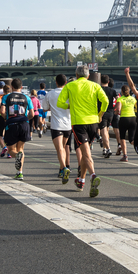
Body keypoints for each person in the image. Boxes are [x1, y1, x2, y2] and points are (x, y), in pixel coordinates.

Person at [57, 65, 107, 197]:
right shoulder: (95, 86)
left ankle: (93, 175)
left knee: (86, 152)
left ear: (76, 75)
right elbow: (105, 101)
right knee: (86, 152)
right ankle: (81, 180)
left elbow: (60, 103)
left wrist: (70, 105)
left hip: (79, 123)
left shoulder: (70, 86)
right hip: (93, 122)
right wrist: (100, 114)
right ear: (88, 75)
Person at [0, 78, 34, 180]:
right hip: (24, 124)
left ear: (12, 87)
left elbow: (2, 111)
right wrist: (25, 119)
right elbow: (32, 113)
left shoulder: (6, 97)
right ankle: (20, 172)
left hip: (12, 124)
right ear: (21, 87)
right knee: (21, 149)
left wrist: (7, 118)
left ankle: (17, 156)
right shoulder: (27, 98)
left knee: (11, 150)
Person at [46, 75, 73, 181]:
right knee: (63, 147)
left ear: (56, 82)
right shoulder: (69, 94)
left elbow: (44, 108)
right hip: (68, 126)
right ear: (66, 82)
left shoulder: (50, 93)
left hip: (56, 125)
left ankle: (64, 168)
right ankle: (62, 168)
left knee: (60, 149)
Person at [115, 85, 137, 163]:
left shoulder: (120, 99)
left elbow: (118, 109)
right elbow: (137, 108)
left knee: (122, 138)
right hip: (133, 118)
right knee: (131, 139)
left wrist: (116, 112)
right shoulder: (133, 98)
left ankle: (125, 156)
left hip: (124, 119)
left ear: (121, 91)